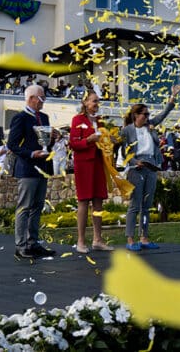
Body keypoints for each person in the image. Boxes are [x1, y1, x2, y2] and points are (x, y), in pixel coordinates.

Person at [119, 84, 180, 251]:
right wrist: (134, 162)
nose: (147, 117)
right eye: (144, 114)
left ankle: (144, 237)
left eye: (148, 114)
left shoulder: (150, 126)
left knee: (146, 206)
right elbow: (125, 154)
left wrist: (173, 96)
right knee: (135, 204)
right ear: (136, 115)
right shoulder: (126, 131)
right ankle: (131, 239)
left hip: (151, 166)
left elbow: (164, 114)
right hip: (136, 168)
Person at [6, 84, 56, 259]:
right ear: (31, 98)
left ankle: (32, 243)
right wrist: (30, 153)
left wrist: (52, 140)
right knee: (25, 206)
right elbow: (11, 144)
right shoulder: (21, 117)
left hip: (42, 166)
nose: (43, 100)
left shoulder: (44, 117)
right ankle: (21, 246)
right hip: (28, 167)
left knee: (37, 206)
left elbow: (45, 143)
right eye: (41, 97)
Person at [69, 90, 115, 254]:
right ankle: (81, 240)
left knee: (98, 201)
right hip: (84, 164)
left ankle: (97, 239)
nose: (96, 104)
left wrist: (111, 140)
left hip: (98, 163)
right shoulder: (77, 120)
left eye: (97, 101)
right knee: (83, 201)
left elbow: (103, 141)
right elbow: (73, 144)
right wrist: (88, 140)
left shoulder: (99, 121)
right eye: (94, 101)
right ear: (85, 102)